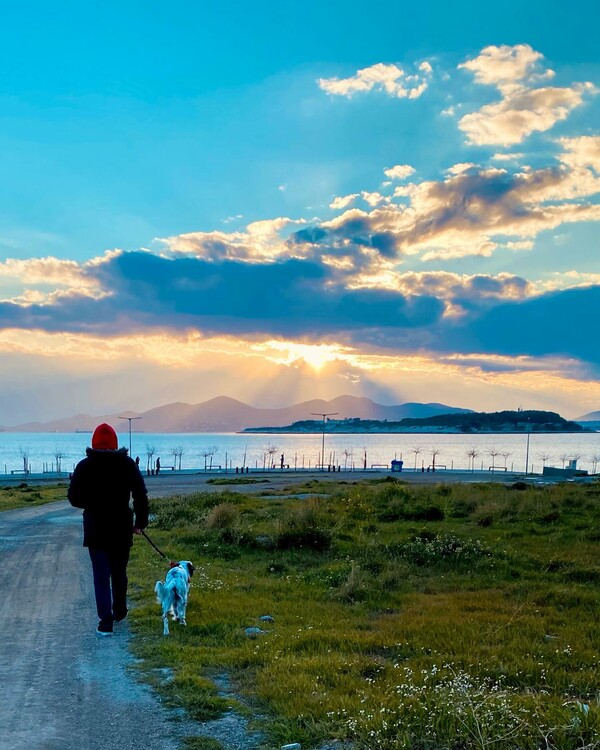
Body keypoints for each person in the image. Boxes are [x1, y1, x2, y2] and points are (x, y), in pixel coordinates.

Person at [68, 423, 149, 636]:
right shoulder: (128, 464)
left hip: (96, 529)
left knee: (101, 575)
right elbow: (141, 494)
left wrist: (93, 502)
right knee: (119, 572)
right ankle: (120, 610)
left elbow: (73, 498)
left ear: (94, 443)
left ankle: (106, 622)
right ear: (115, 443)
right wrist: (140, 522)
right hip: (121, 528)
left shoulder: (84, 466)